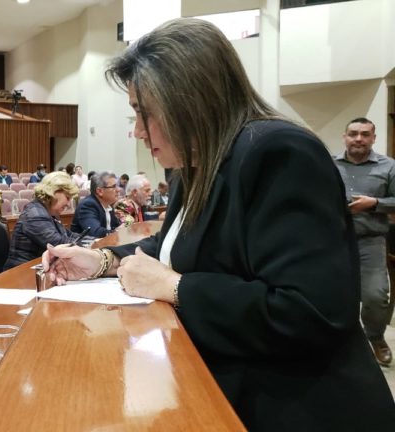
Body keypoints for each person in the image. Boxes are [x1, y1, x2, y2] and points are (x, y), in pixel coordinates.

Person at [42, 18, 395, 431]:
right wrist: (100, 259)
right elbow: (174, 248)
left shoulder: (280, 152)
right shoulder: (197, 163)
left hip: (297, 406)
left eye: (144, 112)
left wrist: (176, 287)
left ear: (189, 100)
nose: (137, 131)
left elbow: (310, 312)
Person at [334, 117, 395, 366]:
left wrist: (375, 204)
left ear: (373, 138)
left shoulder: (389, 166)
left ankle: (375, 337)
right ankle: (340, 343)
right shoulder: (329, 164)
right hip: (333, 241)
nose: (358, 139)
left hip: (371, 241)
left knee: (376, 296)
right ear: (345, 137)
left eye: (365, 134)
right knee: (333, 294)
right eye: (353, 133)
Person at [4, 172, 80, 270]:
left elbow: (69, 235)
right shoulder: (35, 215)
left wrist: (95, 240)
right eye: (67, 197)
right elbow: (59, 244)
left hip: (39, 269)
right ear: (54, 192)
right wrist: (90, 248)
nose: (69, 204)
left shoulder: (49, 212)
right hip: (21, 273)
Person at [70, 171, 120, 238]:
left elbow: (116, 227)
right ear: (99, 191)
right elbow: (95, 232)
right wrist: (117, 232)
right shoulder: (88, 205)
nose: (118, 190)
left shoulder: (108, 205)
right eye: (114, 187)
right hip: (86, 247)